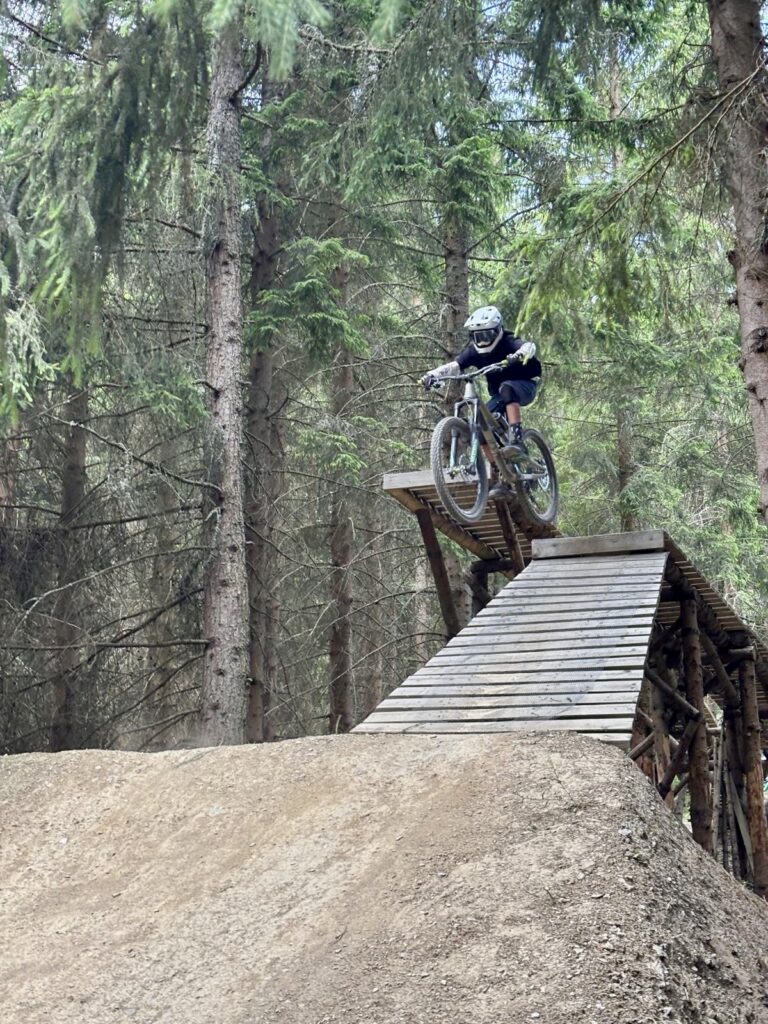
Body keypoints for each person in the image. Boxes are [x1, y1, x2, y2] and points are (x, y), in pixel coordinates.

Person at [421, 305, 541, 499]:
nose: (482, 341)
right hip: (499, 395)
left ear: (497, 332)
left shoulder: (508, 342)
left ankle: (517, 439)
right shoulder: (474, 352)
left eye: (486, 335)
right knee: (480, 427)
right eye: (478, 336)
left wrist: (518, 355)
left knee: (506, 388)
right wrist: (432, 375)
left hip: (525, 386)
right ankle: (501, 475)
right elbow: (454, 366)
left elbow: (529, 346)